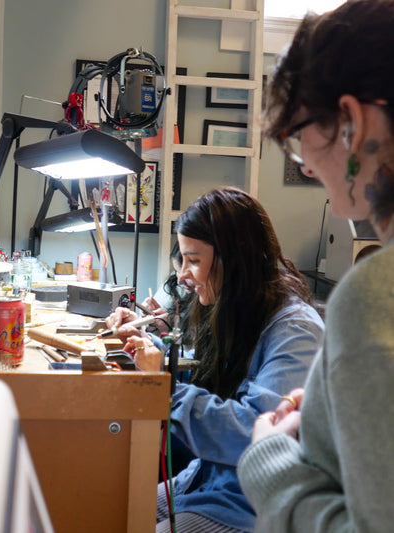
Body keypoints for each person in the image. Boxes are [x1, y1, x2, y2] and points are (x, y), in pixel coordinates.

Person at [236, 2, 394, 532]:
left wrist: (267, 461)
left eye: (300, 133)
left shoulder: (375, 297)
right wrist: (330, 413)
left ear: (354, 121)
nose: (303, 163)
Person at [105, 186, 324, 533]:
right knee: (105, 507)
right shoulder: (240, 308)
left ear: (233, 260)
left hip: (250, 504)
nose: (182, 275)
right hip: (208, 480)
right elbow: (209, 372)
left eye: (194, 260)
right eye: (183, 259)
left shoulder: (296, 331)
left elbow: (254, 435)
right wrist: (153, 352)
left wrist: (166, 390)